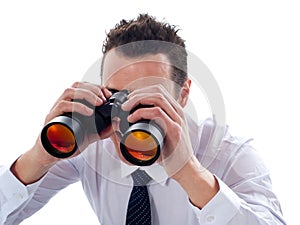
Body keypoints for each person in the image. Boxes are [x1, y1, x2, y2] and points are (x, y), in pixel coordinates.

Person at [0, 14, 286, 225]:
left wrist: (188, 172)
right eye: (117, 96)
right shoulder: (94, 146)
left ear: (183, 94)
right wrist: (38, 157)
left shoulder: (230, 154)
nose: (129, 116)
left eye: (149, 97)